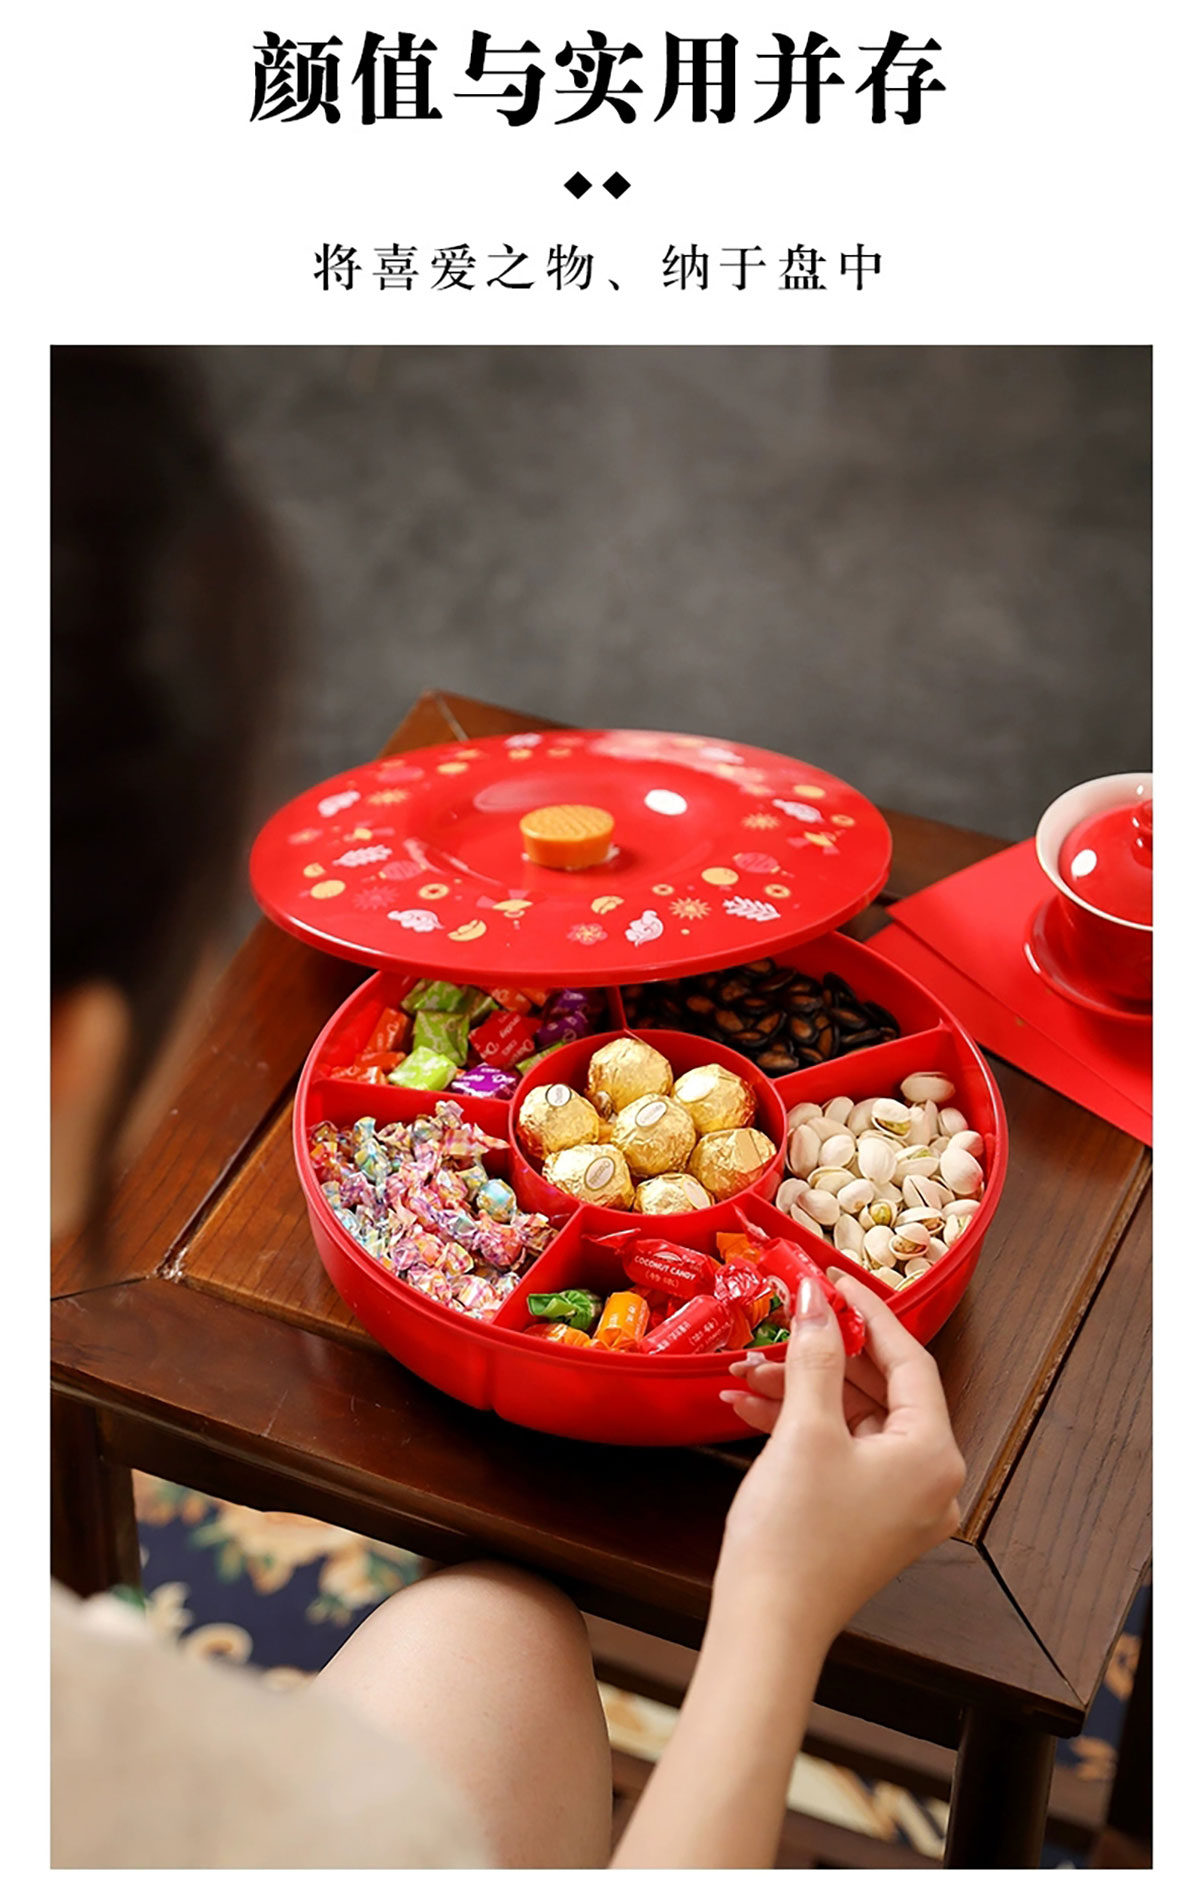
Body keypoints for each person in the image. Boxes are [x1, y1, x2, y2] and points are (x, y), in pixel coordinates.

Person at [51, 347, 965, 1869]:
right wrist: (779, 1604)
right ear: (75, 1062)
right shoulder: (139, 1767)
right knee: (496, 1637)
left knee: (492, 1632)